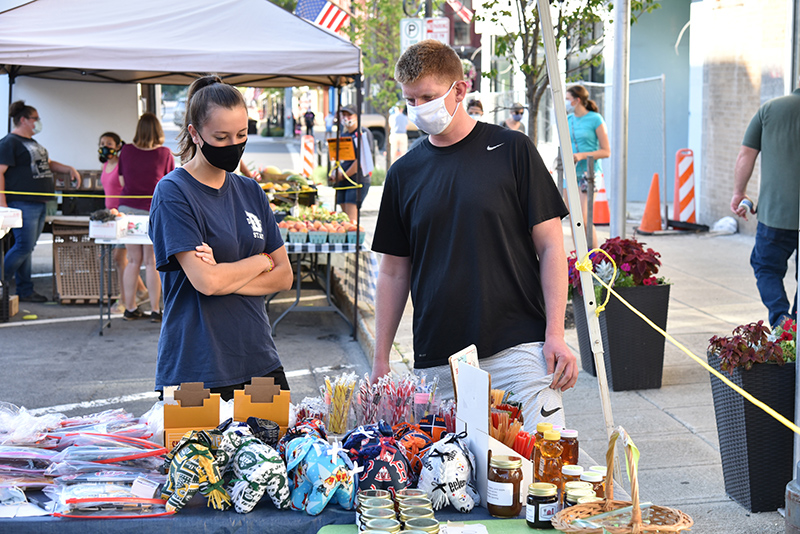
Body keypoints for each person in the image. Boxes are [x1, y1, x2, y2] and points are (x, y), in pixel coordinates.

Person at [371, 40, 577, 428]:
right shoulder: (403, 173)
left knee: (539, 478)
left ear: (460, 90)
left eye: (427, 97)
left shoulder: (512, 149)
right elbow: (394, 271)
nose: (418, 109)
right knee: (450, 484)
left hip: (518, 350)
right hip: (438, 361)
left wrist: (556, 334)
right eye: (410, 100)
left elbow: (551, 246)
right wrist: (381, 359)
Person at [149, 75, 293, 400]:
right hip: (195, 369)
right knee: (195, 452)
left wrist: (223, 275)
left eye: (241, 135)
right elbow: (207, 284)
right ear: (195, 134)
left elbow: (284, 276)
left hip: (258, 358)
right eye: (221, 136)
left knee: (273, 450)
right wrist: (260, 261)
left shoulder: (250, 190)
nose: (234, 145)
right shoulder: (173, 192)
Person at [731, 81, 800, 329]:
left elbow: (745, 155)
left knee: (766, 267)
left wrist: (739, 193)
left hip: (775, 215)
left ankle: (783, 320)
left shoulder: (769, 110)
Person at [0, 101, 80, 302]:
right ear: (24, 120)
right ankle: (2, 281)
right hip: (22, 202)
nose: (38, 122)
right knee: (23, 245)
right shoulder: (9, 142)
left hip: (39, 202)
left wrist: (69, 169)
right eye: (35, 118)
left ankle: (25, 290)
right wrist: (2, 203)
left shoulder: (33, 143)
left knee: (27, 247)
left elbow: (48, 164)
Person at [117, 112, 175, 322]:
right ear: (158, 131)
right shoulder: (165, 153)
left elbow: (122, 181)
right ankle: (155, 310)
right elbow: (169, 184)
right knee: (152, 262)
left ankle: (130, 308)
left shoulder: (126, 151)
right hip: (153, 209)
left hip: (128, 209)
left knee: (132, 260)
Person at [98, 131, 147, 312]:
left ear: (118, 146)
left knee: (122, 258)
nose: (105, 146)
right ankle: (141, 291)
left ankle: (125, 300)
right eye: (102, 142)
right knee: (120, 259)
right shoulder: (105, 166)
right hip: (111, 216)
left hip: (123, 214)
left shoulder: (121, 164)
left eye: (109, 143)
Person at [565, 85, 610, 249]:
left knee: (583, 218)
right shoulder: (568, 120)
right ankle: (579, 259)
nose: (566, 102)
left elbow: (606, 151)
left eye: (568, 99)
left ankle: (594, 258)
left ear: (577, 100)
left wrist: (582, 155)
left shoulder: (595, 119)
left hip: (588, 173)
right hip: (570, 173)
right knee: (572, 219)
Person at [332, 105, 374, 222]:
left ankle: (355, 238)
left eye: (349, 115)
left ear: (357, 117)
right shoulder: (344, 135)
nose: (346, 118)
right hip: (343, 180)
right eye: (343, 115)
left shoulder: (362, 133)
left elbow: (361, 160)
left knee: (351, 221)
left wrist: (343, 175)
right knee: (344, 219)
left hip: (356, 180)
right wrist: (336, 174)